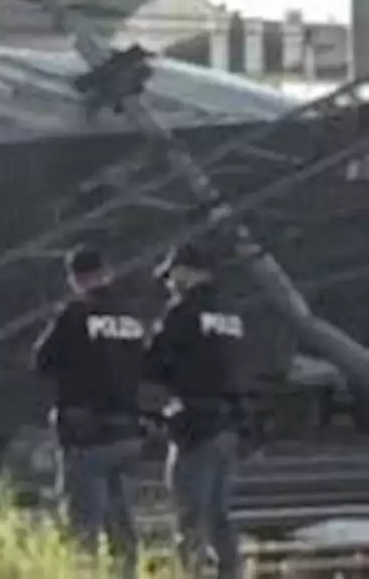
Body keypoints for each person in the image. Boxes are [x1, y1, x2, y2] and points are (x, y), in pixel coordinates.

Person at [32, 245, 145, 578]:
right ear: (107, 271)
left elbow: (41, 362)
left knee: (84, 528)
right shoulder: (131, 316)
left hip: (87, 436)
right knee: (121, 522)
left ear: (75, 279)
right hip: (127, 432)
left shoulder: (74, 314)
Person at [145, 244, 245, 579]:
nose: (169, 283)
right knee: (219, 515)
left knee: (190, 515)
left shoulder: (182, 312)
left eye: (173, 275)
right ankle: (231, 573)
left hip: (194, 427)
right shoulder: (231, 313)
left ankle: (189, 573)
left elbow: (153, 362)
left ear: (189, 272)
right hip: (228, 424)